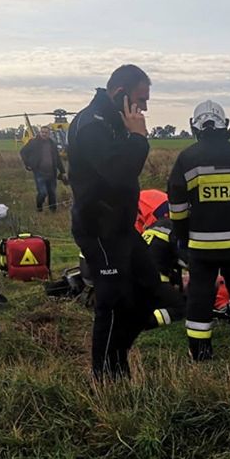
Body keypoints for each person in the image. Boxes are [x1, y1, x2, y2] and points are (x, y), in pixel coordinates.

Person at [67, 64, 155, 381]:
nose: (144, 107)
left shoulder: (113, 120)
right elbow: (119, 172)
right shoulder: (92, 125)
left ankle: (117, 358)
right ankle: (105, 376)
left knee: (149, 289)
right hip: (98, 227)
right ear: (120, 94)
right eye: (141, 99)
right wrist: (138, 137)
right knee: (111, 300)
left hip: (120, 226)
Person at [168, 100, 230, 364]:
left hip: (200, 246)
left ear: (195, 127)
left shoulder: (186, 158)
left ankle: (199, 352)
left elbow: (177, 208)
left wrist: (184, 236)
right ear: (226, 125)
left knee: (200, 296)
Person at [19, 125, 66, 212]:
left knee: (52, 192)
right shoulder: (33, 142)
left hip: (52, 172)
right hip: (39, 172)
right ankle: (39, 207)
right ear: (40, 133)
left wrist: (62, 171)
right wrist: (28, 164)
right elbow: (23, 152)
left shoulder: (52, 144)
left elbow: (57, 159)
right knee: (43, 192)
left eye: (46, 133)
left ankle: (53, 210)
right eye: (42, 132)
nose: (44, 134)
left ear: (49, 134)